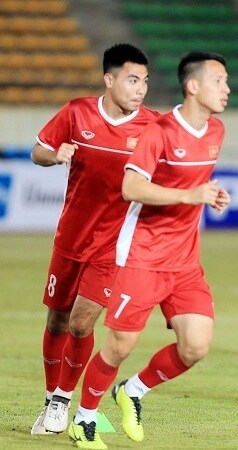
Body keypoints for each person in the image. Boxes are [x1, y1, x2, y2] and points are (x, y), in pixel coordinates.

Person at [67, 51, 231, 449]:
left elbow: (192, 184)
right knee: (120, 345)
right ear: (193, 86)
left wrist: (208, 196)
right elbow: (131, 188)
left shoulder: (216, 131)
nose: (226, 89)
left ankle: (133, 391)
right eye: (219, 81)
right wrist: (190, 194)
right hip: (141, 255)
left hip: (185, 261)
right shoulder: (159, 131)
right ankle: (84, 419)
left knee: (196, 346)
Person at [30, 43, 160, 435]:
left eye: (145, 82)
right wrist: (56, 155)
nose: (140, 89)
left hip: (114, 245)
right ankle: (50, 395)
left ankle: (62, 402)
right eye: (132, 80)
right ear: (110, 79)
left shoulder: (154, 126)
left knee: (82, 325)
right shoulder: (76, 112)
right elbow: (38, 151)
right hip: (70, 238)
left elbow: (172, 171)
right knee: (57, 321)